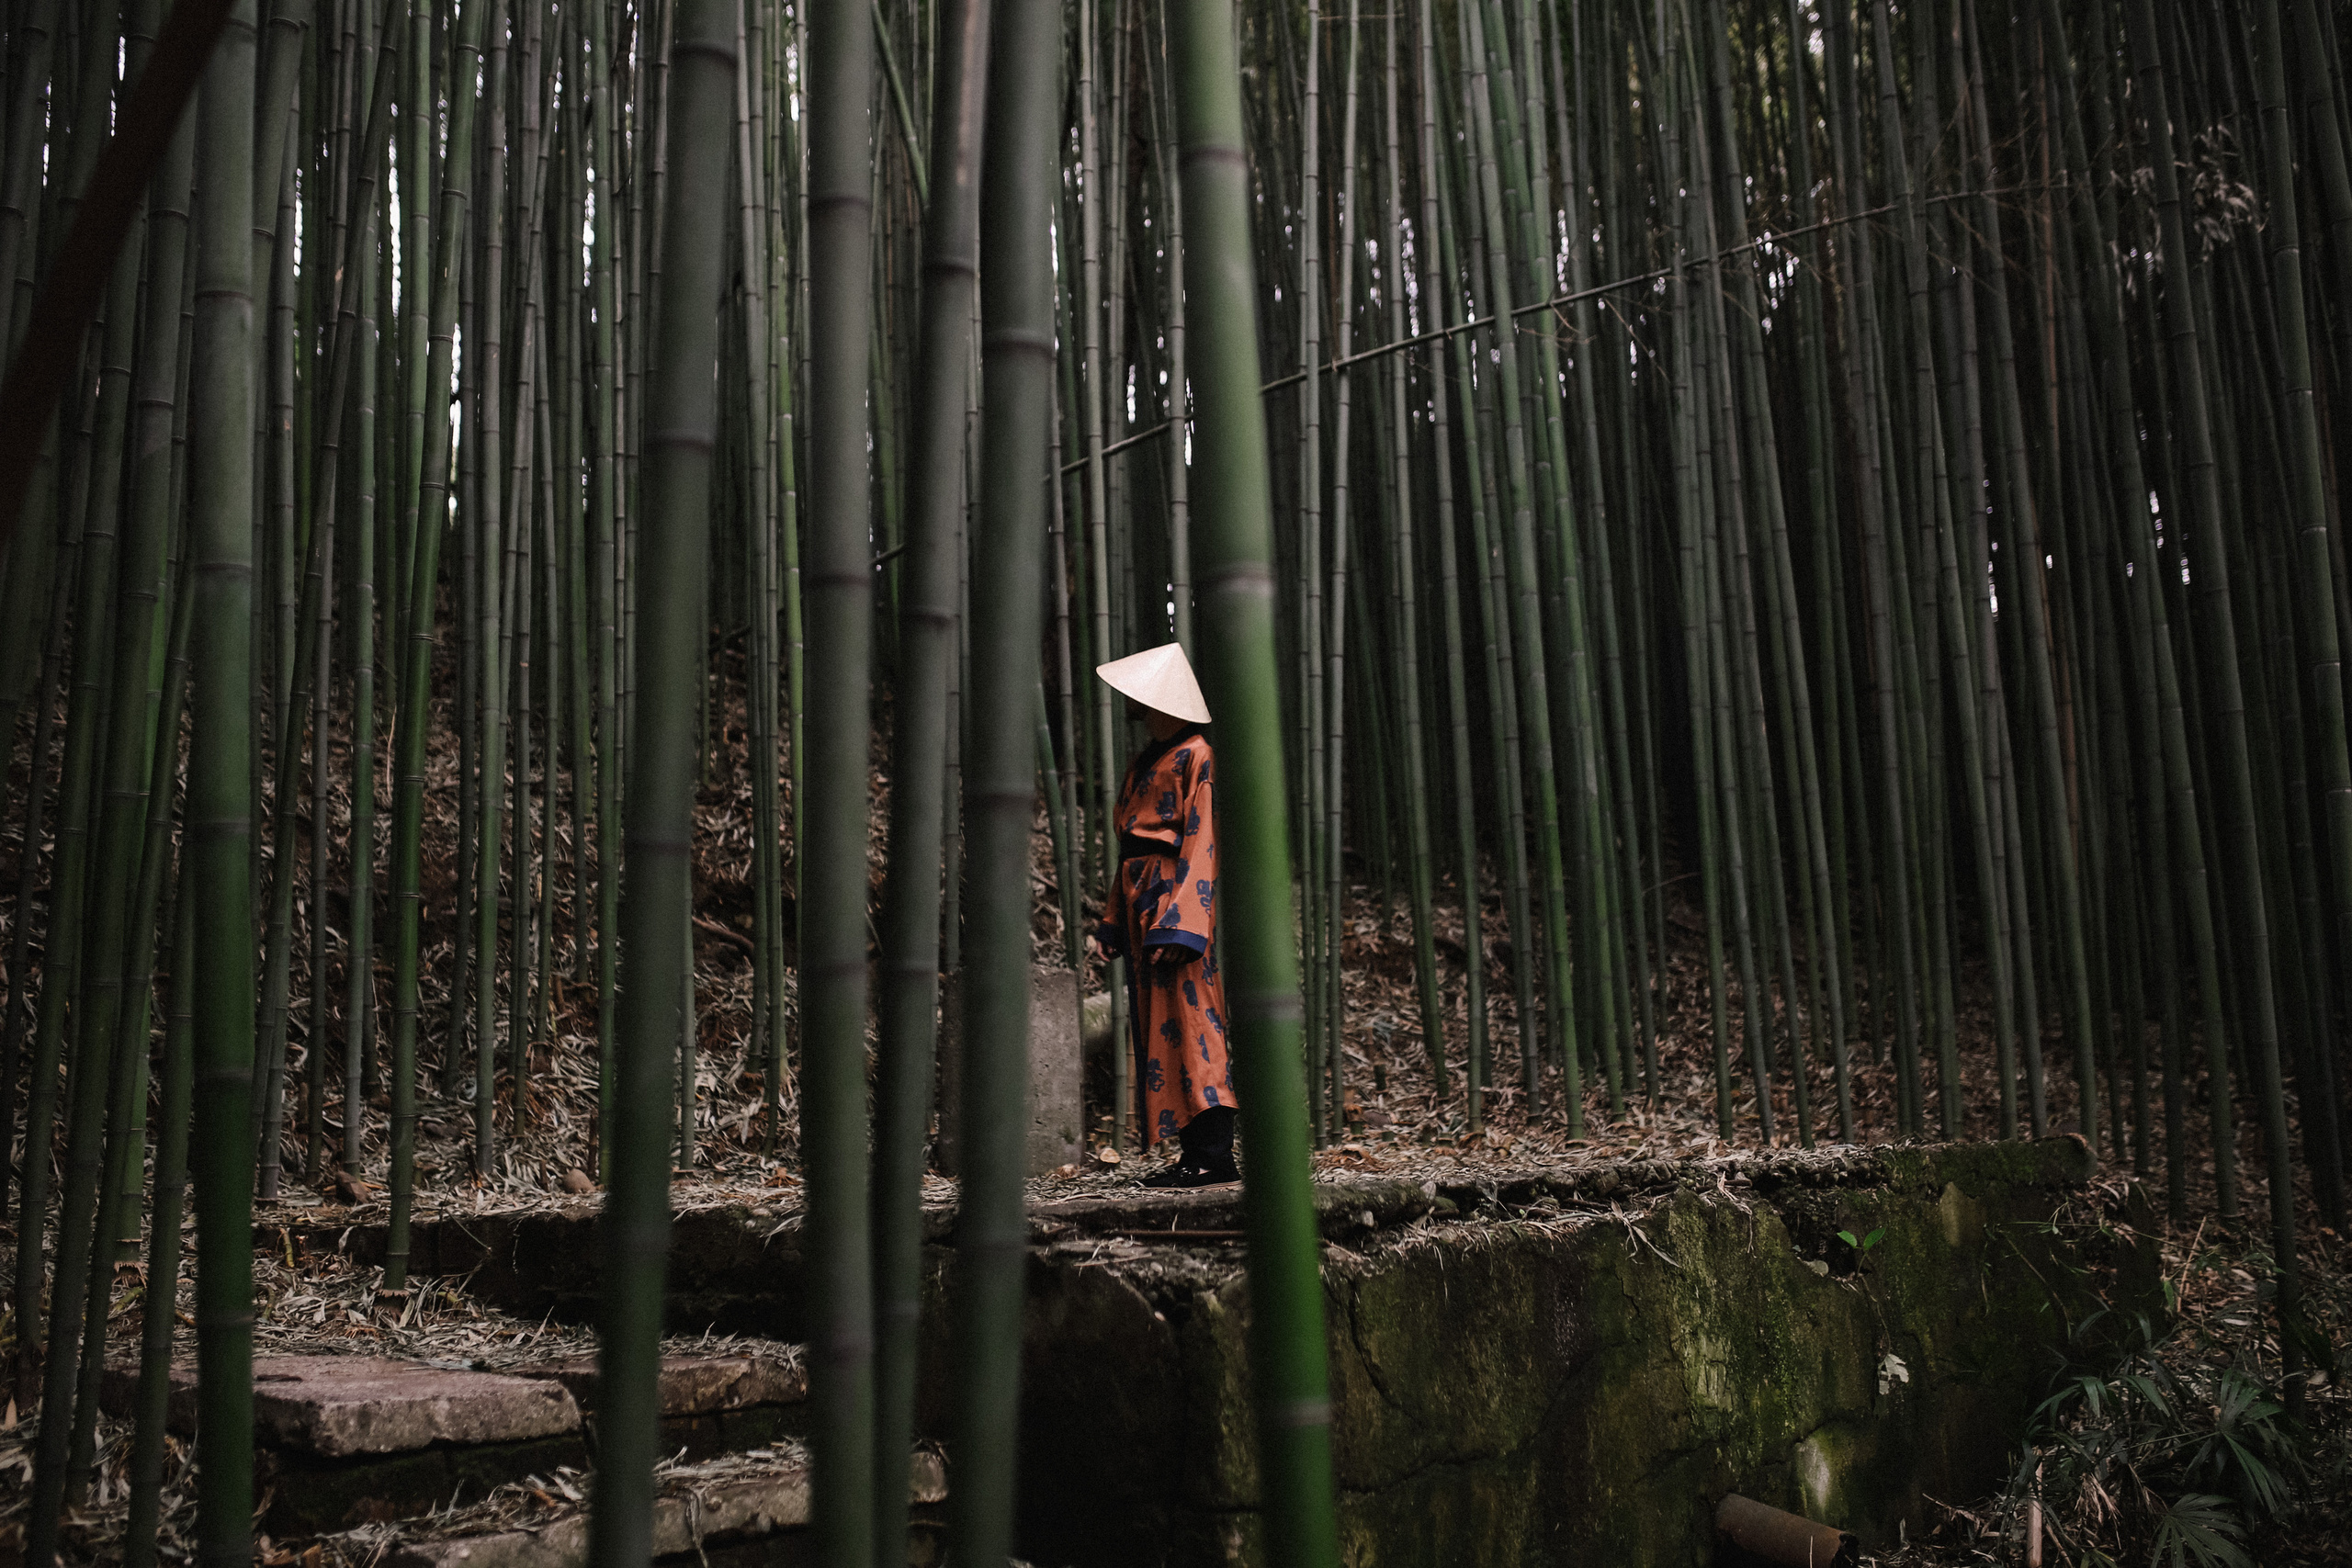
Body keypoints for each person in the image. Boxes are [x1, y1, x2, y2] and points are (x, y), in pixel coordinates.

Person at [1091, 643, 1238, 1188]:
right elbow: (1130, 849)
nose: (1138, 708)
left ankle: (1215, 1156)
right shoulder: (1143, 762)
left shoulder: (1199, 755)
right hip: (1141, 903)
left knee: (1195, 1020)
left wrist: (1186, 921)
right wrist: (1112, 920)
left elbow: (1203, 842)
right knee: (1159, 1030)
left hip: (1177, 901)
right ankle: (1192, 1156)